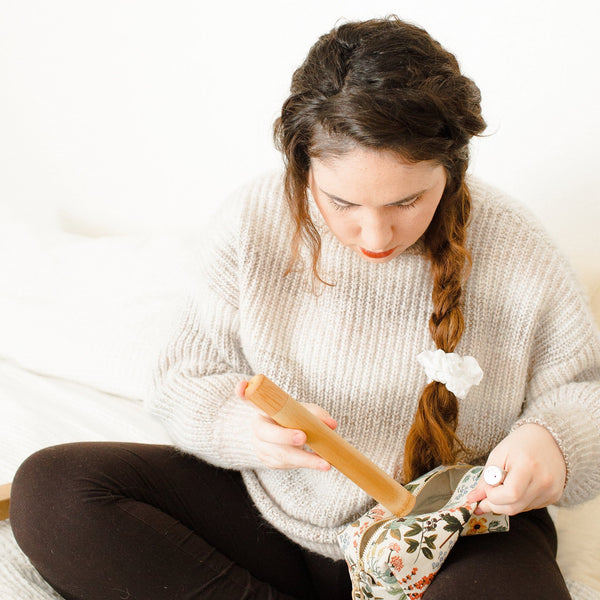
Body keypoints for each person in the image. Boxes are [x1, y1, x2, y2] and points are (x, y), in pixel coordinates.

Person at [10, 15, 600, 600]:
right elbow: (180, 380)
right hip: (282, 517)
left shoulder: (516, 245)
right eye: (342, 202)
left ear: (451, 167)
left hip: (455, 533)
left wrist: (552, 443)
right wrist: (240, 428)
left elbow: (583, 394)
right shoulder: (255, 221)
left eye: (408, 200)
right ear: (301, 164)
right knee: (55, 491)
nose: (374, 236)